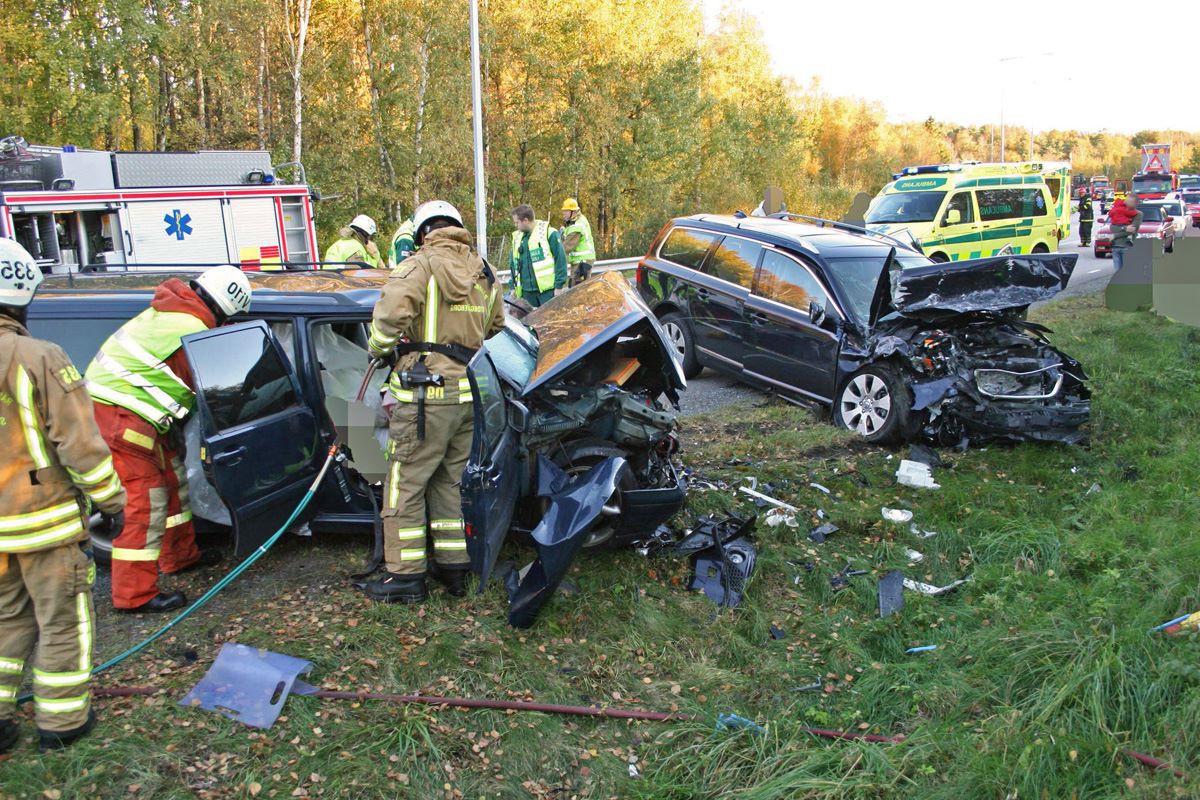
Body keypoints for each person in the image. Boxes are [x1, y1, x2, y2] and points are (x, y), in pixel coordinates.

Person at [0, 239, 126, 752]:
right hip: (43, 523)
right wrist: (112, 504)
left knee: (6, 621)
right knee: (63, 621)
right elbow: (81, 445)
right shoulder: (38, 357)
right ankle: (63, 723)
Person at [85, 266, 252, 613]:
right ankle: (134, 596)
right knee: (144, 504)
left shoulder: (175, 310)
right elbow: (215, 387)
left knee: (173, 484)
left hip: (140, 414)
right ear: (225, 310)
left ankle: (179, 557)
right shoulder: (192, 329)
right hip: (122, 415)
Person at [364, 200, 506, 603]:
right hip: (469, 395)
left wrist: (379, 348)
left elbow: (388, 317)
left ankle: (405, 577)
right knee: (449, 482)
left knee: (403, 485)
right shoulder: (485, 272)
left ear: (423, 231)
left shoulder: (419, 265)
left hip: (426, 398)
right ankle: (454, 568)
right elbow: (495, 326)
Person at [509, 204, 567, 307]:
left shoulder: (548, 233)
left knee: (548, 321)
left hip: (547, 292)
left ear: (525, 220)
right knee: (527, 322)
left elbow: (560, 260)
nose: (515, 226)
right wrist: (513, 286)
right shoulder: (517, 238)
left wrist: (559, 286)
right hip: (526, 293)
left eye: (517, 222)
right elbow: (513, 264)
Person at [559, 198, 596, 287]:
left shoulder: (576, 226)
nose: (563, 213)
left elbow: (566, 247)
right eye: (563, 211)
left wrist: (553, 256)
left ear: (573, 212)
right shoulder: (578, 220)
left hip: (581, 262)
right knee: (581, 289)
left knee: (575, 289)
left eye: (566, 211)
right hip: (583, 261)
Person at [1108, 196, 1143, 272]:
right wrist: (1124, 228)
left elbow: (1132, 230)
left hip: (1127, 246)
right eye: (1127, 201)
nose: (1127, 203)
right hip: (1115, 247)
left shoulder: (1138, 214)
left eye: (1130, 202)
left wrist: (1115, 235)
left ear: (1135, 204)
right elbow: (1112, 228)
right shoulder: (1117, 212)